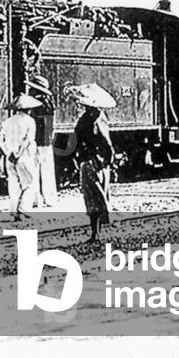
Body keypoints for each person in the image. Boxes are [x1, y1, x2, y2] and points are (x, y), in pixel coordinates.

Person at [70, 83, 115, 241]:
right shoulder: (95, 117)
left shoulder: (92, 119)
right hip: (93, 161)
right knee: (95, 195)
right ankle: (96, 232)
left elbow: (106, 142)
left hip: (93, 162)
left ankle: (96, 233)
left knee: (93, 196)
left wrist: (109, 159)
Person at [0, 93, 42, 220]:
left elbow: (1, 140)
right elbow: (28, 140)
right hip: (24, 156)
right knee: (29, 182)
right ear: (28, 109)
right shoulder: (30, 121)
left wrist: (8, 153)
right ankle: (24, 209)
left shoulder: (7, 122)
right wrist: (18, 153)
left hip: (9, 157)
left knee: (13, 183)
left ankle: (13, 212)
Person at [26, 75, 58, 207]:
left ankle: (36, 199)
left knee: (34, 171)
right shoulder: (50, 103)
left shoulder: (34, 104)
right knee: (48, 171)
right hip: (47, 142)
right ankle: (50, 199)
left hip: (36, 141)